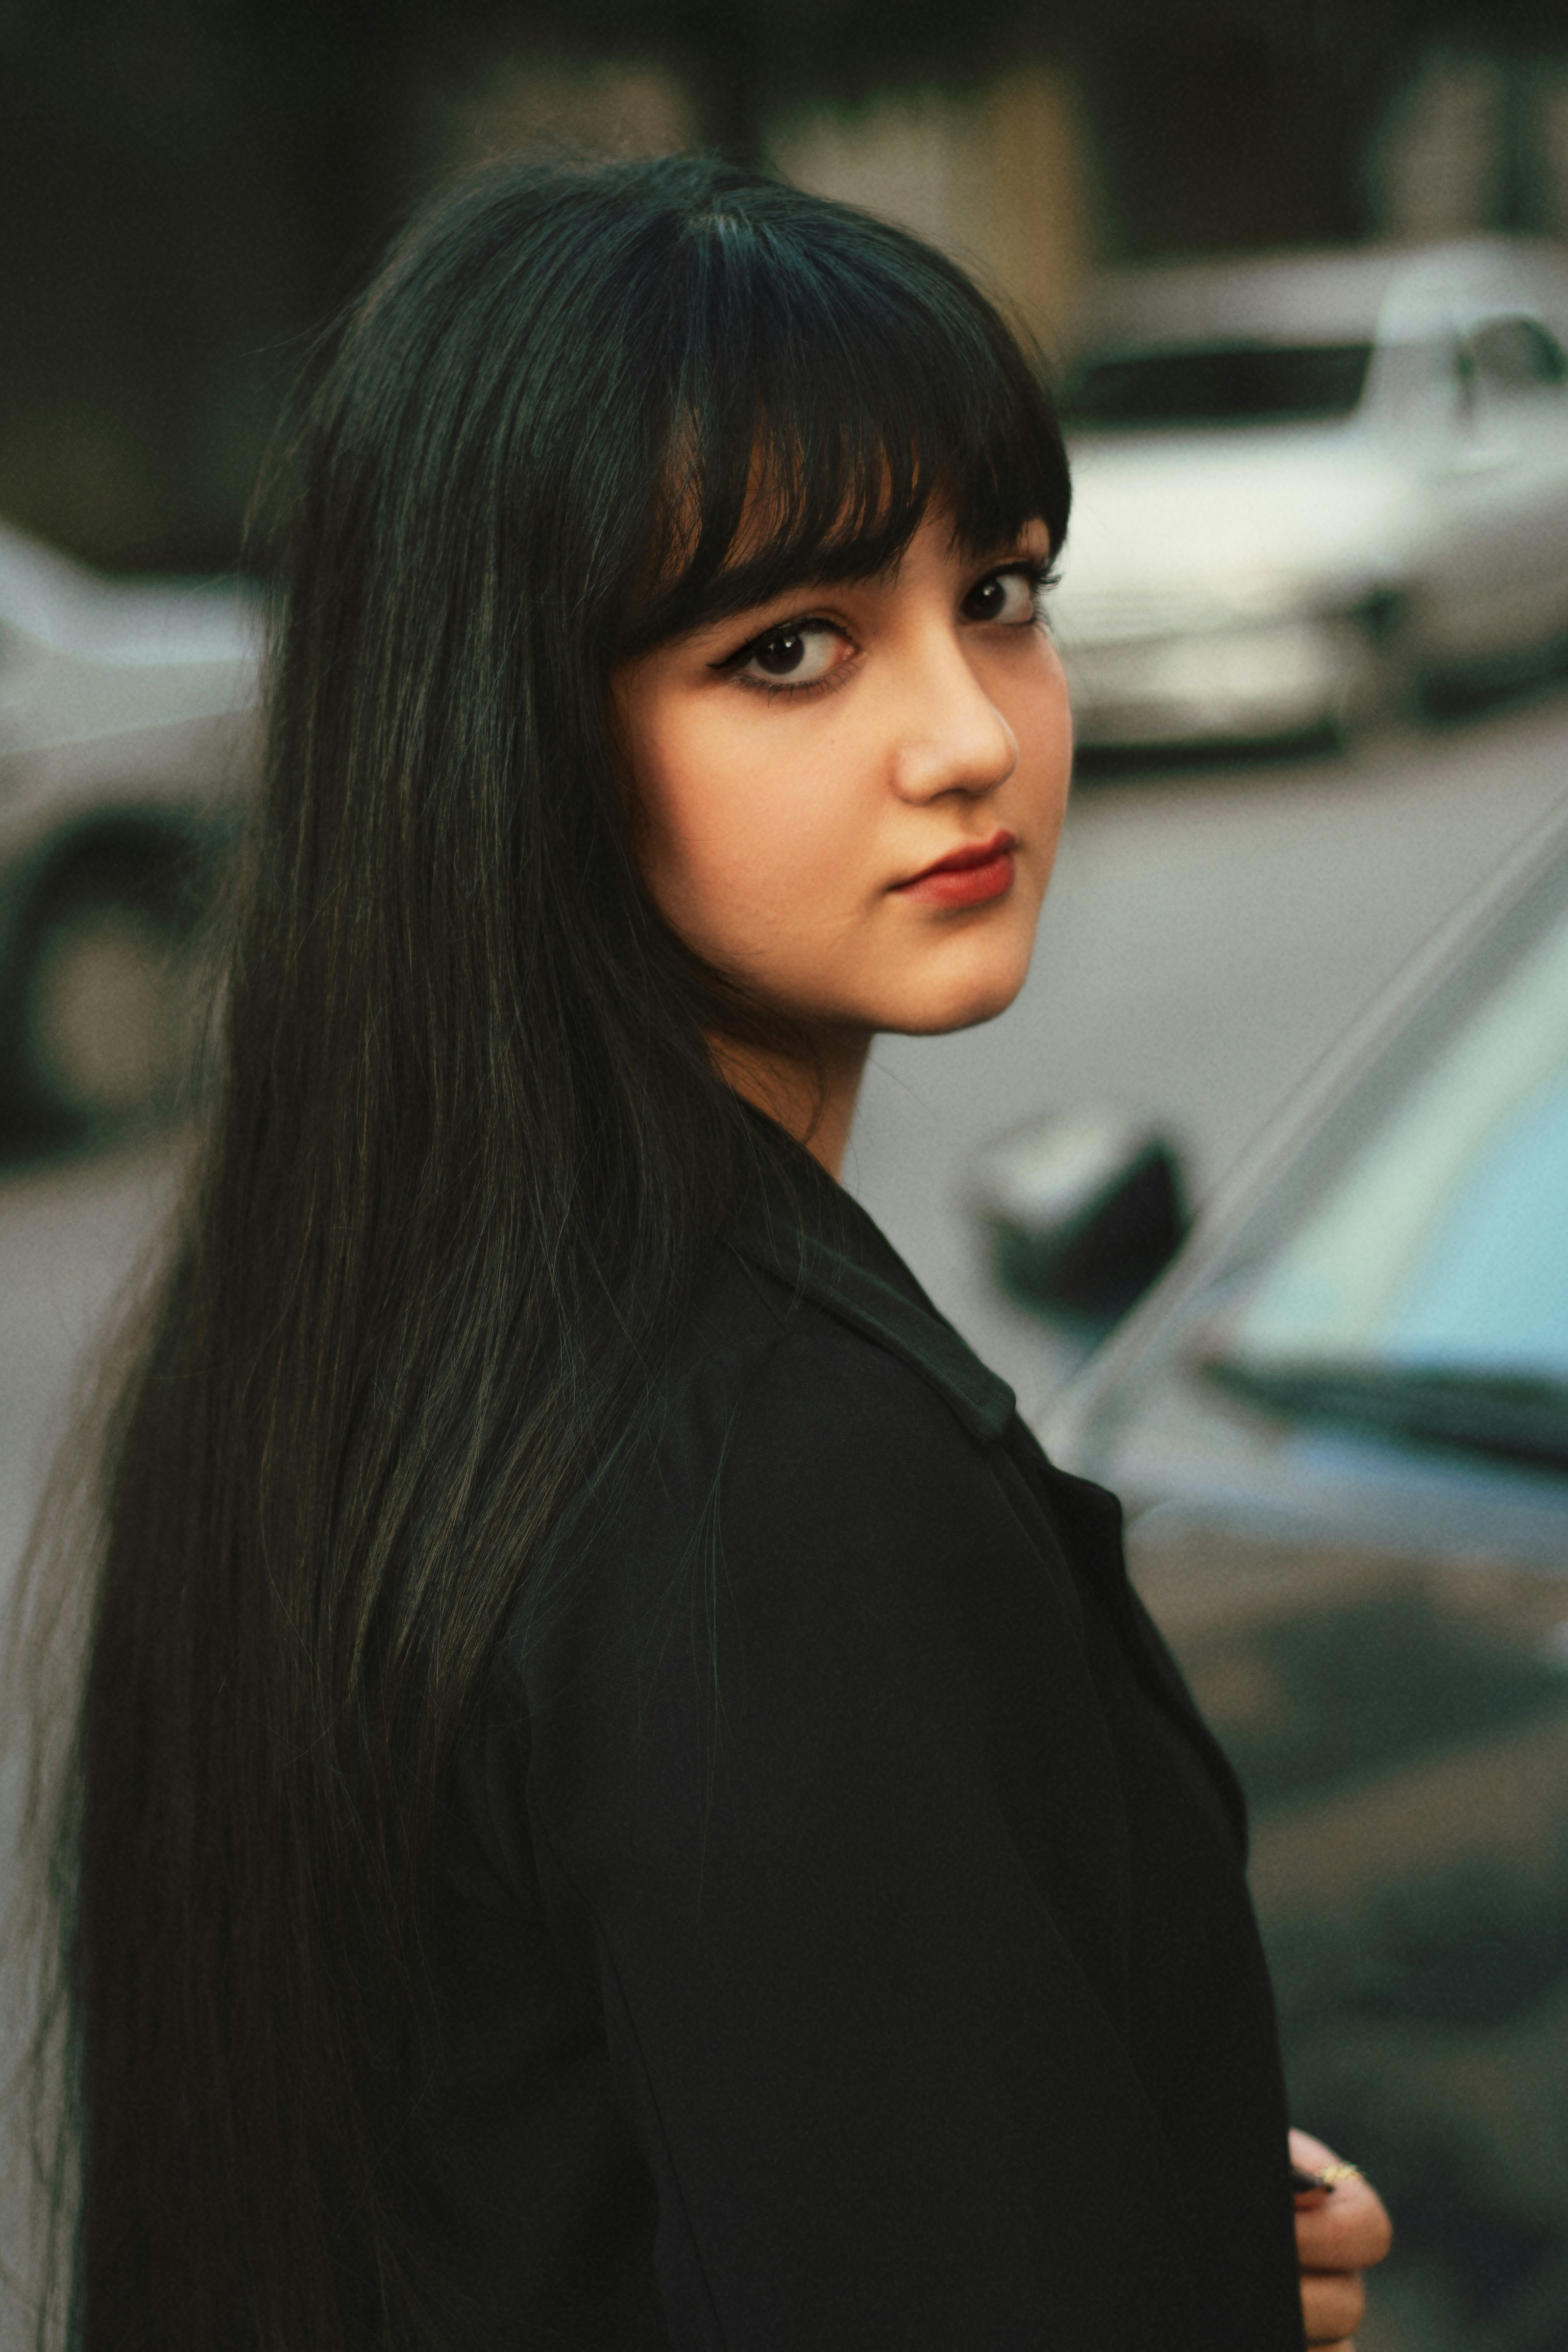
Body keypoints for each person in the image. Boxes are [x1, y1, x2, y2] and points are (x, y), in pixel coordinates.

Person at [24, 155, 1391, 2349]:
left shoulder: (344, 1322)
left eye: (1003, 593)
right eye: (790, 648)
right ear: (510, 728)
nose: (972, 736)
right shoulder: (779, 1483)